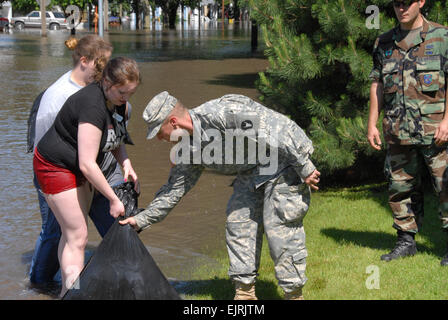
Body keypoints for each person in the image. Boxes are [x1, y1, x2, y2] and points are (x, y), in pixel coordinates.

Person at [120, 92, 320, 300]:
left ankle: (294, 294)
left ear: (173, 122)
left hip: (283, 160)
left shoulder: (221, 114)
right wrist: (141, 220)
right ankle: (245, 293)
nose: (160, 139)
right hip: (252, 170)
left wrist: (304, 166)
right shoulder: (188, 150)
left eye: (160, 132)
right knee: (238, 223)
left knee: (280, 228)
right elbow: (173, 191)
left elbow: (276, 127)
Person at [33, 57, 140, 297]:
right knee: (78, 235)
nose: (126, 98)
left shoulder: (118, 101)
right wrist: (113, 198)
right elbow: (87, 164)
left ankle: (66, 291)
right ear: (107, 83)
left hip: (78, 165)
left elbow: (116, 137)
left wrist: (126, 163)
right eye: (123, 92)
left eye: (131, 93)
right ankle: (73, 294)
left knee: (73, 235)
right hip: (55, 165)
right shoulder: (92, 105)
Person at [367, 0, 448, 265]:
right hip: (397, 130)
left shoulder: (442, 37)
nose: (401, 9)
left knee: (445, 186)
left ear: (421, 1)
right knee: (399, 186)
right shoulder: (384, 42)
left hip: (436, 130)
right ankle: (406, 241)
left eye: (407, 3)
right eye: (396, 4)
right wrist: (372, 122)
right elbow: (377, 82)